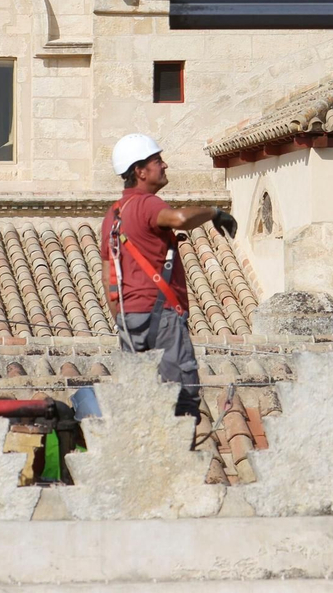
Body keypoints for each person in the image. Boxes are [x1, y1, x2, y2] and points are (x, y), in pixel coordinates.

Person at [101, 133, 238, 417]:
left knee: (144, 399)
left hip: (129, 319)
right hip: (161, 317)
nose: (165, 165)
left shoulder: (112, 216)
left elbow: (107, 276)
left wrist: (122, 317)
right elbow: (179, 219)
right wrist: (214, 212)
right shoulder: (147, 203)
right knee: (182, 398)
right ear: (140, 171)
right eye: (157, 161)